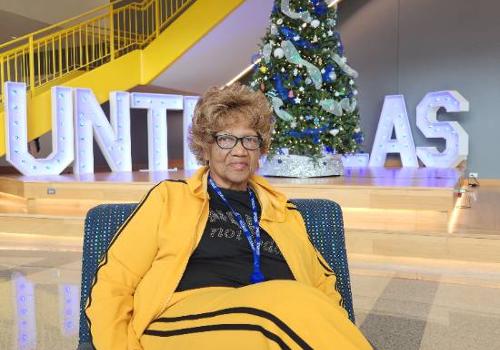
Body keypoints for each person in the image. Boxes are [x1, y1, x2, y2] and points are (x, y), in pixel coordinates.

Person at [85, 83, 372, 350]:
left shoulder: (282, 211)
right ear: (205, 146)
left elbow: (324, 284)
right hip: (185, 320)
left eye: (249, 140)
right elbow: (113, 283)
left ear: (261, 149)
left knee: (299, 302)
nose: (239, 151)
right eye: (225, 139)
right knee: (287, 304)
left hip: (276, 322)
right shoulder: (169, 198)